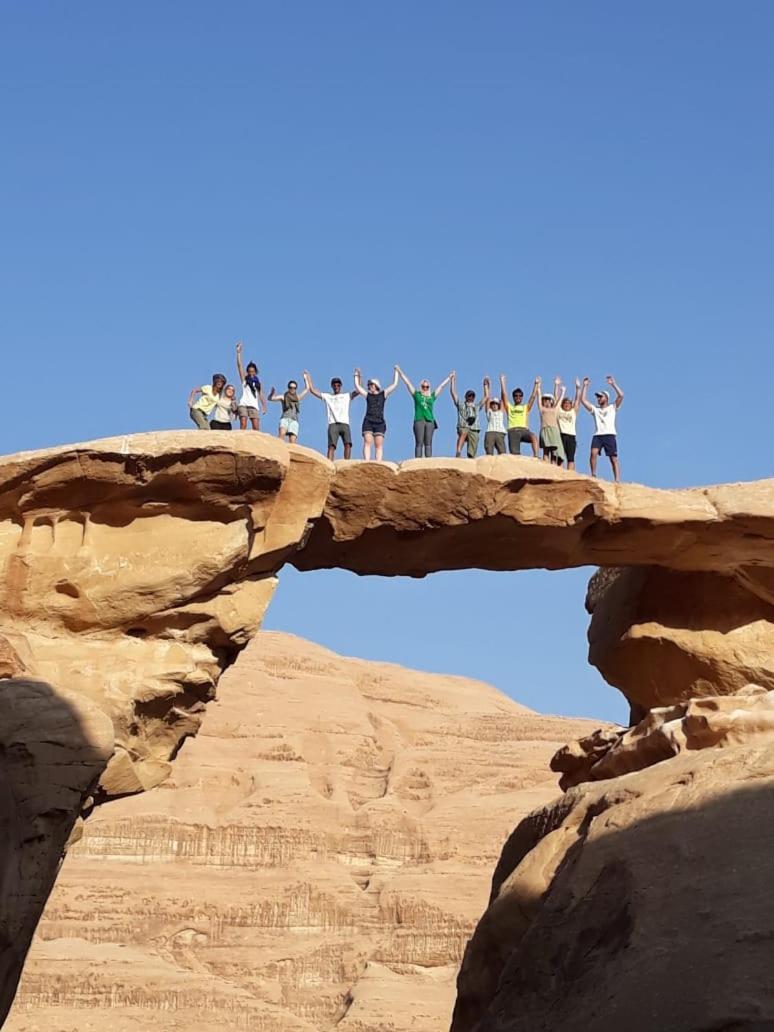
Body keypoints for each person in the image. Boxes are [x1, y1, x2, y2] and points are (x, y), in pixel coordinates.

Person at [396, 366, 453, 458]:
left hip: (430, 421)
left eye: (427, 387)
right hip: (419, 420)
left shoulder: (432, 396)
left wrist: (449, 377)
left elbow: (441, 387)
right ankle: (418, 461)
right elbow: (407, 383)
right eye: (423, 386)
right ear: (420, 387)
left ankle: (428, 461)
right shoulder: (417, 395)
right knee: (419, 442)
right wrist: (399, 371)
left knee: (428, 443)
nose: (425, 388)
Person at [304, 371, 359, 460]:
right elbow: (313, 390)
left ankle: (347, 462)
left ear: (341, 386)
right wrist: (308, 378)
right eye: (334, 385)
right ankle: (329, 463)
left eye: (338, 385)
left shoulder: (346, 396)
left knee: (348, 444)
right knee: (331, 446)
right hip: (333, 423)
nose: (336, 386)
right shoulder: (328, 396)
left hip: (344, 423)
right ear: (332, 386)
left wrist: (358, 376)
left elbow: (358, 391)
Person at [580, 374, 624, 481]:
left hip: (610, 435)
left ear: (606, 398)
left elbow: (621, 395)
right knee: (593, 453)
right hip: (598, 435)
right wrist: (585, 386)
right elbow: (583, 400)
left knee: (613, 458)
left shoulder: (612, 407)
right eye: (598, 397)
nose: (598, 399)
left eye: (601, 396)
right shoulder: (595, 409)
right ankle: (594, 474)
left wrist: (613, 384)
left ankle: (617, 479)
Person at [354, 367, 399, 460]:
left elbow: (394, 385)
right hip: (368, 421)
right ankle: (367, 461)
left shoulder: (383, 394)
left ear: (376, 385)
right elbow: (358, 387)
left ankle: (378, 463)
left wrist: (396, 371)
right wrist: (356, 375)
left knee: (378, 445)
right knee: (367, 442)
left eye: (371, 384)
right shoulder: (368, 395)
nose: (369, 386)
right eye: (369, 385)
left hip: (380, 422)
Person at [500, 375, 539, 456]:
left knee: (533, 436)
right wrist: (502, 382)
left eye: (520, 395)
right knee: (515, 454)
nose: (518, 397)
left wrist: (536, 384)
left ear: (522, 397)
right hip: (513, 430)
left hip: (524, 430)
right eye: (516, 395)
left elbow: (533, 397)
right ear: (513, 397)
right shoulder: (509, 407)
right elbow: (504, 395)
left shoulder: (525, 407)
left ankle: (536, 456)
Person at [235, 341, 267, 430]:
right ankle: (240, 442)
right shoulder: (245, 380)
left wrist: (264, 406)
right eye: (249, 371)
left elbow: (261, 395)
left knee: (256, 427)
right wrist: (238, 353)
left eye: (253, 371)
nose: (251, 373)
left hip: (254, 406)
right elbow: (239, 365)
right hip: (243, 404)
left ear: (255, 372)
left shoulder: (258, 383)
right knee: (243, 423)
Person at [267, 379, 310, 444]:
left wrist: (305, 378)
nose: (292, 389)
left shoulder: (297, 397)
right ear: (288, 388)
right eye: (291, 387)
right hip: (285, 418)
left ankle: (290, 454)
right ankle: (277, 450)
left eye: (294, 388)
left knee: (292, 441)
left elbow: (307, 389)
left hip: (294, 420)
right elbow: (270, 398)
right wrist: (271, 394)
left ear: (296, 389)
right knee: (282, 434)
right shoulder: (283, 397)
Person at [450, 372, 482, 458]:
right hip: (463, 426)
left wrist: (486, 386)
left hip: (474, 429)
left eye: (472, 396)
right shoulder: (461, 405)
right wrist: (452, 381)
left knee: (475, 439)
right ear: (466, 397)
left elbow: (486, 398)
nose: (471, 398)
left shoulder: (476, 406)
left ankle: (471, 456)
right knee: (464, 432)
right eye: (469, 396)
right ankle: (458, 452)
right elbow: (453, 393)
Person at [536, 376, 566, 464]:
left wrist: (562, 391)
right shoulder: (542, 409)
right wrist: (538, 386)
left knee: (554, 452)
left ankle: (553, 469)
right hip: (545, 429)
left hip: (554, 430)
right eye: (544, 400)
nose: (546, 401)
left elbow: (559, 400)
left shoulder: (555, 409)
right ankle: (546, 467)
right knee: (546, 451)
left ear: (551, 401)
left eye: (548, 400)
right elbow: (538, 397)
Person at [557, 378, 582, 470]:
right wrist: (557, 386)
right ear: (562, 404)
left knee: (571, 458)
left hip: (571, 436)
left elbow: (577, 400)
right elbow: (556, 398)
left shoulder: (573, 411)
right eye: (565, 403)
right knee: (560, 457)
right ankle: (559, 474)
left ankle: (570, 474)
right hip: (561, 435)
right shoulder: (559, 411)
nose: (567, 404)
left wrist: (578, 388)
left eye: (569, 403)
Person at [482, 377, 507, 455]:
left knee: (502, 453)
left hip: (500, 432)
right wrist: (487, 386)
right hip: (490, 432)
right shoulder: (489, 412)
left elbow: (503, 397)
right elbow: (487, 398)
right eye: (492, 404)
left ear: (498, 405)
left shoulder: (501, 412)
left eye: (496, 404)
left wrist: (502, 382)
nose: (494, 405)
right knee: (489, 452)